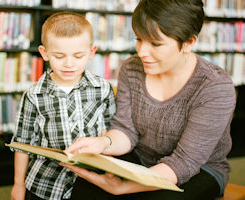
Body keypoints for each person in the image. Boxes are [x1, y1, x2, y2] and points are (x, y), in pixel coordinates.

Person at [61, 0, 236, 200]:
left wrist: (123, 187)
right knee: (84, 185)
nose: (142, 52)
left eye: (155, 44)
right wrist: (103, 143)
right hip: (141, 159)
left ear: (188, 43)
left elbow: (184, 163)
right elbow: (126, 130)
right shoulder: (131, 69)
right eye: (139, 39)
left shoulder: (214, 87)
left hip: (199, 170)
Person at [10, 12, 116, 200]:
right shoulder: (34, 95)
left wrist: (111, 173)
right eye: (59, 56)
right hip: (45, 183)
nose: (69, 64)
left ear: (91, 52)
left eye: (78, 56)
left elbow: (111, 132)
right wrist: (18, 185)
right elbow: (22, 144)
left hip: (90, 181)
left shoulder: (103, 88)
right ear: (44, 53)